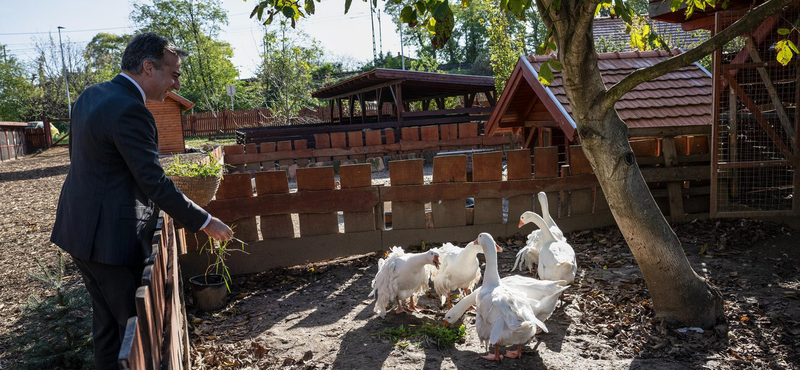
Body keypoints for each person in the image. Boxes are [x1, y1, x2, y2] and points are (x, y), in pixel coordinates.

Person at [50, 32, 233, 370]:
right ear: (148, 68)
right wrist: (205, 221)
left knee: (107, 329)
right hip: (110, 242)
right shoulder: (132, 111)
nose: (176, 83)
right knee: (134, 334)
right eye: (173, 73)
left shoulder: (91, 95)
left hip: (76, 230)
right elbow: (153, 182)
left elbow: (91, 165)